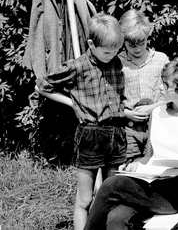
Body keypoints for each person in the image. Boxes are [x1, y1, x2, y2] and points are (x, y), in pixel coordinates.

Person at [84, 57, 178, 230]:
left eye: (165, 85)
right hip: (152, 184)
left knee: (111, 185)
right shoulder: (157, 113)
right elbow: (148, 156)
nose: (159, 87)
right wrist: (135, 165)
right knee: (116, 218)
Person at [35, 13, 126, 230]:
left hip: (116, 134)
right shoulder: (77, 66)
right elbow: (42, 86)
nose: (112, 55)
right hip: (90, 135)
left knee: (110, 197)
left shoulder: (116, 63)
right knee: (85, 199)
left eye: (116, 50)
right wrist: (71, 103)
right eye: (106, 51)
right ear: (91, 44)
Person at [118, 9, 169, 161]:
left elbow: (173, 95)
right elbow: (110, 97)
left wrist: (152, 107)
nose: (138, 49)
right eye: (132, 45)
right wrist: (127, 112)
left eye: (141, 43)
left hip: (158, 125)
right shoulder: (117, 62)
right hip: (128, 127)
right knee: (129, 165)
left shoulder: (161, 59)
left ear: (147, 36)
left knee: (157, 162)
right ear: (123, 40)